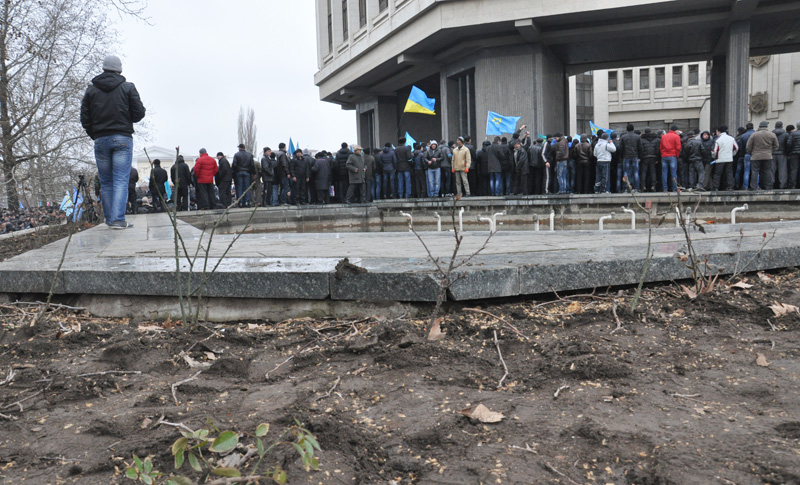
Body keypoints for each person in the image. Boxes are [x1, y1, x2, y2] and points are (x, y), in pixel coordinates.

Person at [80, 55, 145, 229]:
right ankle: (117, 219)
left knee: (106, 182)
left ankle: (110, 219)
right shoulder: (128, 87)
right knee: (121, 180)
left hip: (101, 139)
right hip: (122, 138)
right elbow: (139, 113)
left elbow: (85, 118)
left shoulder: (91, 90)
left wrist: (95, 134)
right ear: (119, 69)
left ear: (104, 68)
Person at [746, 120, 779, 190]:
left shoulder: (754, 134)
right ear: (766, 126)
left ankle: (753, 186)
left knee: (755, 171)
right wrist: (771, 152)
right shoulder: (772, 134)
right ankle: (768, 186)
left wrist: (751, 152)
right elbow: (776, 146)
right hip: (768, 156)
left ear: (760, 126)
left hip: (755, 156)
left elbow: (748, 146)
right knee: (767, 171)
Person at [711, 125, 738, 191]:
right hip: (729, 159)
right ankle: (730, 187)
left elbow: (714, 151)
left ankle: (716, 187)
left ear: (719, 131)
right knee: (729, 173)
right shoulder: (731, 138)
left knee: (717, 174)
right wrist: (732, 154)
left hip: (719, 159)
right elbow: (736, 148)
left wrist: (714, 157)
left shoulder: (718, 139)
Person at [618, 124, 643, 191]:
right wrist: (640, 157)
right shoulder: (637, 137)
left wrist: (621, 156)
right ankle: (636, 188)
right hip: (635, 156)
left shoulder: (623, 137)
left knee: (626, 173)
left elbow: (620, 148)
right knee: (635, 172)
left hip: (626, 156)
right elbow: (640, 147)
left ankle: (626, 188)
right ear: (633, 129)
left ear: (627, 129)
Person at [659, 125, 681, 192]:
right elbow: (678, 147)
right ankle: (674, 188)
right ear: (676, 130)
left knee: (664, 173)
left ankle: (665, 188)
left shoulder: (663, 137)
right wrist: (677, 155)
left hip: (664, 156)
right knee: (673, 172)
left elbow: (661, 147)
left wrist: (662, 154)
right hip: (672, 156)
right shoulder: (676, 136)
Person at [737, 122, 755, 189]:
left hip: (746, 154)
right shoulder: (756, 134)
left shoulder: (743, 136)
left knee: (746, 171)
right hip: (755, 154)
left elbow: (741, 147)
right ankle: (756, 185)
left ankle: (745, 186)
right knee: (755, 171)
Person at [772, 121, 789, 189]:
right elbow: (788, 144)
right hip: (782, 153)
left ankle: (771, 184)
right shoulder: (785, 134)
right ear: (782, 126)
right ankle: (783, 185)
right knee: (783, 170)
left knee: (772, 170)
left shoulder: (771, 134)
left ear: (775, 126)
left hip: (773, 153)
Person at [788, 122, 800, 189]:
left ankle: (792, 185)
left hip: (794, 153)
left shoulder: (793, 134)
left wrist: (790, 151)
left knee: (794, 169)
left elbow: (789, 143)